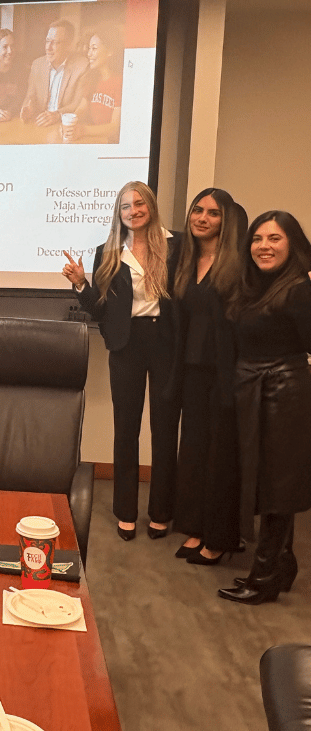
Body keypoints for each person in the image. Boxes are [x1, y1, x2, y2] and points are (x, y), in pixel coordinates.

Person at [61, 181, 180, 541]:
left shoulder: (175, 245)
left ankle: (161, 512)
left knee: (164, 429)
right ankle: (126, 511)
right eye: (126, 206)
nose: (134, 211)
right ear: (119, 212)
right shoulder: (108, 251)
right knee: (126, 429)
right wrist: (82, 284)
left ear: (150, 206)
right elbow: (101, 309)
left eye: (140, 204)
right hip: (127, 344)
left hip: (167, 341)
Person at [218, 211, 311, 605]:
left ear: (292, 244)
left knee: (277, 485)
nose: (264, 246)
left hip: (284, 391)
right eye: (257, 238)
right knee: (266, 480)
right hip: (251, 386)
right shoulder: (253, 286)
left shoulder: (299, 289)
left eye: (274, 238)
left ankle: (264, 575)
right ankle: (283, 563)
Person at [171, 189, 247, 565]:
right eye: (197, 211)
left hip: (226, 372)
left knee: (221, 456)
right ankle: (197, 527)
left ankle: (219, 538)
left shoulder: (240, 263)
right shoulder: (187, 260)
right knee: (195, 451)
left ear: (226, 220)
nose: (202, 218)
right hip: (192, 371)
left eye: (213, 213)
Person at [20, 19, 89, 127]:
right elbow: (30, 96)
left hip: (65, 125)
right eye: (47, 41)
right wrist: (28, 108)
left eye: (55, 42)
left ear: (69, 45)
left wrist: (57, 115)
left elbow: (77, 103)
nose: (48, 47)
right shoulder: (37, 65)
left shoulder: (82, 66)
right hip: (39, 122)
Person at [64, 25, 123, 143]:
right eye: (89, 49)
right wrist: (70, 125)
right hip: (94, 140)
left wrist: (83, 130)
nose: (89, 54)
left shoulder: (120, 82)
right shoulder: (92, 79)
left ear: (110, 51)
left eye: (94, 48)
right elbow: (81, 108)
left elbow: (114, 128)